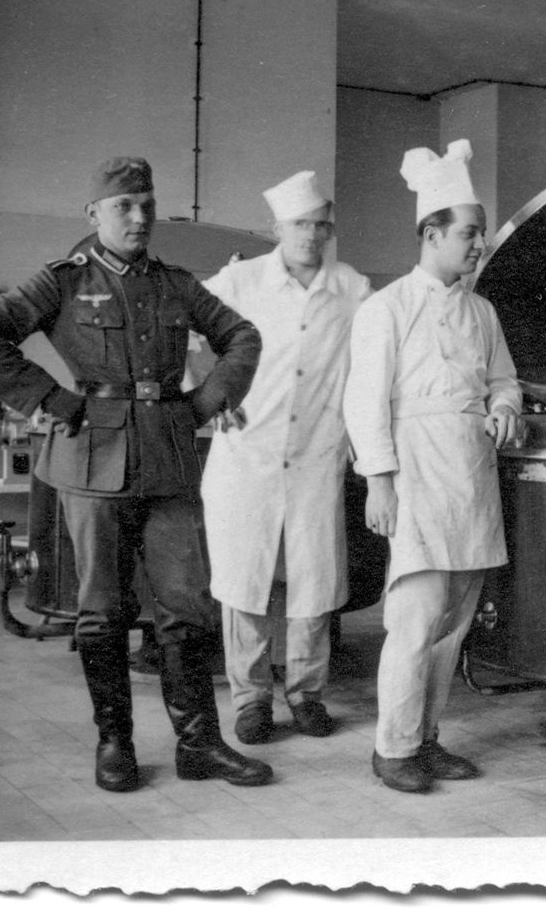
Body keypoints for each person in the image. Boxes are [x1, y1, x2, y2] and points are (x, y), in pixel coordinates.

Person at [0, 156, 274, 792]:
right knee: (101, 609)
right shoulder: (63, 281)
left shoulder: (178, 284)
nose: (139, 217)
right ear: (94, 215)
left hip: (169, 461)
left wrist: (206, 402)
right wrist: (49, 398)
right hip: (91, 463)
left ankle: (200, 744)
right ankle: (115, 743)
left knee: (186, 605)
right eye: (124, 206)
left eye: (147, 204)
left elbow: (243, 336)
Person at [342, 139, 523, 795]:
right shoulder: (385, 309)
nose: (478, 245)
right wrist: (380, 481)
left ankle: (426, 737)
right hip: (415, 473)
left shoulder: (483, 311)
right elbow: (363, 401)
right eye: (469, 234)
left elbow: (505, 381)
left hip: (471, 475)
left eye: (479, 233)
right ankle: (392, 747)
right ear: (432, 233)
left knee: (454, 622)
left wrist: (505, 406)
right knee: (416, 618)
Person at [197, 171, 373, 745]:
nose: (312, 235)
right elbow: (182, 328)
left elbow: (374, 359)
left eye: (322, 225)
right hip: (247, 454)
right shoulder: (240, 281)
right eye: (301, 224)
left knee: (313, 583)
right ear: (278, 228)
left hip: (317, 454)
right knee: (244, 582)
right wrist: (209, 395)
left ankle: (307, 694)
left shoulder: (351, 288)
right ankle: (250, 701)